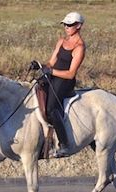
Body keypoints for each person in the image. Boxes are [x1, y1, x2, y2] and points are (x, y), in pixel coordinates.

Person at [32, 12, 86, 157]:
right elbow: (51, 63)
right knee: (35, 90)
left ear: (78, 26)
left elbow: (70, 73)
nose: (66, 27)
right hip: (54, 76)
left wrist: (50, 71)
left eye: (70, 25)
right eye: (65, 25)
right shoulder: (61, 41)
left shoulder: (79, 47)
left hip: (65, 81)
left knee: (50, 108)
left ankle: (64, 144)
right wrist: (40, 65)